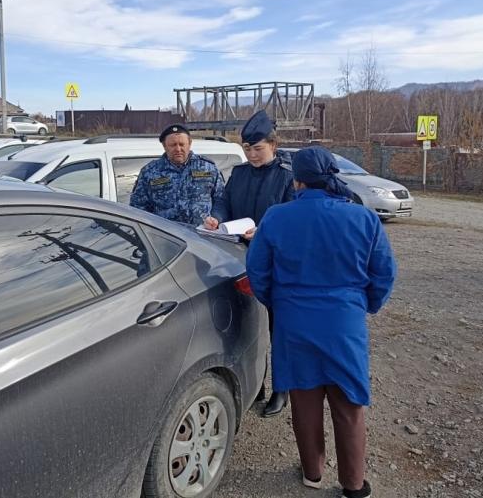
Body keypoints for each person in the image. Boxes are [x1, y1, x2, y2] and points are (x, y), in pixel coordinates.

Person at [246, 145, 396, 498]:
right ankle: (354, 486)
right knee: (348, 404)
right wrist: (362, 305)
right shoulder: (363, 218)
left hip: (293, 321)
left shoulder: (276, 217)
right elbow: (384, 274)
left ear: (296, 179)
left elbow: (258, 273)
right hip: (344, 322)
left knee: (305, 398)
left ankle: (312, 473)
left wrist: (280, 304)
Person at [204, 110, 294, 417]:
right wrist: (216, 215)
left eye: (258, 148)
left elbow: (294, 219)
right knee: (246, 327)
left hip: (275, 264)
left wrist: (268, 232)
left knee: (276, 329)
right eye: (247, 148)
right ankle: (257, 385)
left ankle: (282, 389)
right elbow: (225, 201)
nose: (252, 154)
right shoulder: (240, 174)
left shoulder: (286, 177)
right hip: (238, 259)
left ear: (273, 146)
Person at [130, 124, 224, 226]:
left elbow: (222, 200)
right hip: (166, 237)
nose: (178, 149)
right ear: (164, 146)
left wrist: (216, 218)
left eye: (182, 144)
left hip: (202, 236)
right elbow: (138, 207)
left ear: (190, 143)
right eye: (173, 145)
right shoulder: (149, 172)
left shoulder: (208, 168)